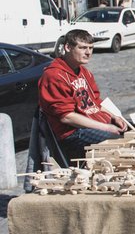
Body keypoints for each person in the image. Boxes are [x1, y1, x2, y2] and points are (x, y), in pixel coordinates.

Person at [38, 29, 128, 159]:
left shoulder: (84, 72)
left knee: (134, 132)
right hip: (73, 132)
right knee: (122, 142)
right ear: (68, 47)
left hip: (93, 121)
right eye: (83, 48)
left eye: (91, 48)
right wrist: (106, 127)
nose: (88, 53)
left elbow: (95, 102)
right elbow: (67, 117)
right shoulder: (54, 76)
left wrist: (114, 116)